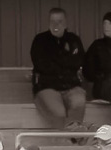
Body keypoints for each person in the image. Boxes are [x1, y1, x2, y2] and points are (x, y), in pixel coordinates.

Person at [30, 7, 87, 137]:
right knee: (59, 112)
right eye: (52, 21)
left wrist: (57, 61)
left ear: (66, 23)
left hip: (71, 86)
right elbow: (41, 65)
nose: (56, 25)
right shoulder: (40, 41)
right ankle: (72, 137)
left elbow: (78, 61)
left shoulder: (73, 40)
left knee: (79, 99)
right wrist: (65, 60)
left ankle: (73, 136)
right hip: (47, 86)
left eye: (60, 21)